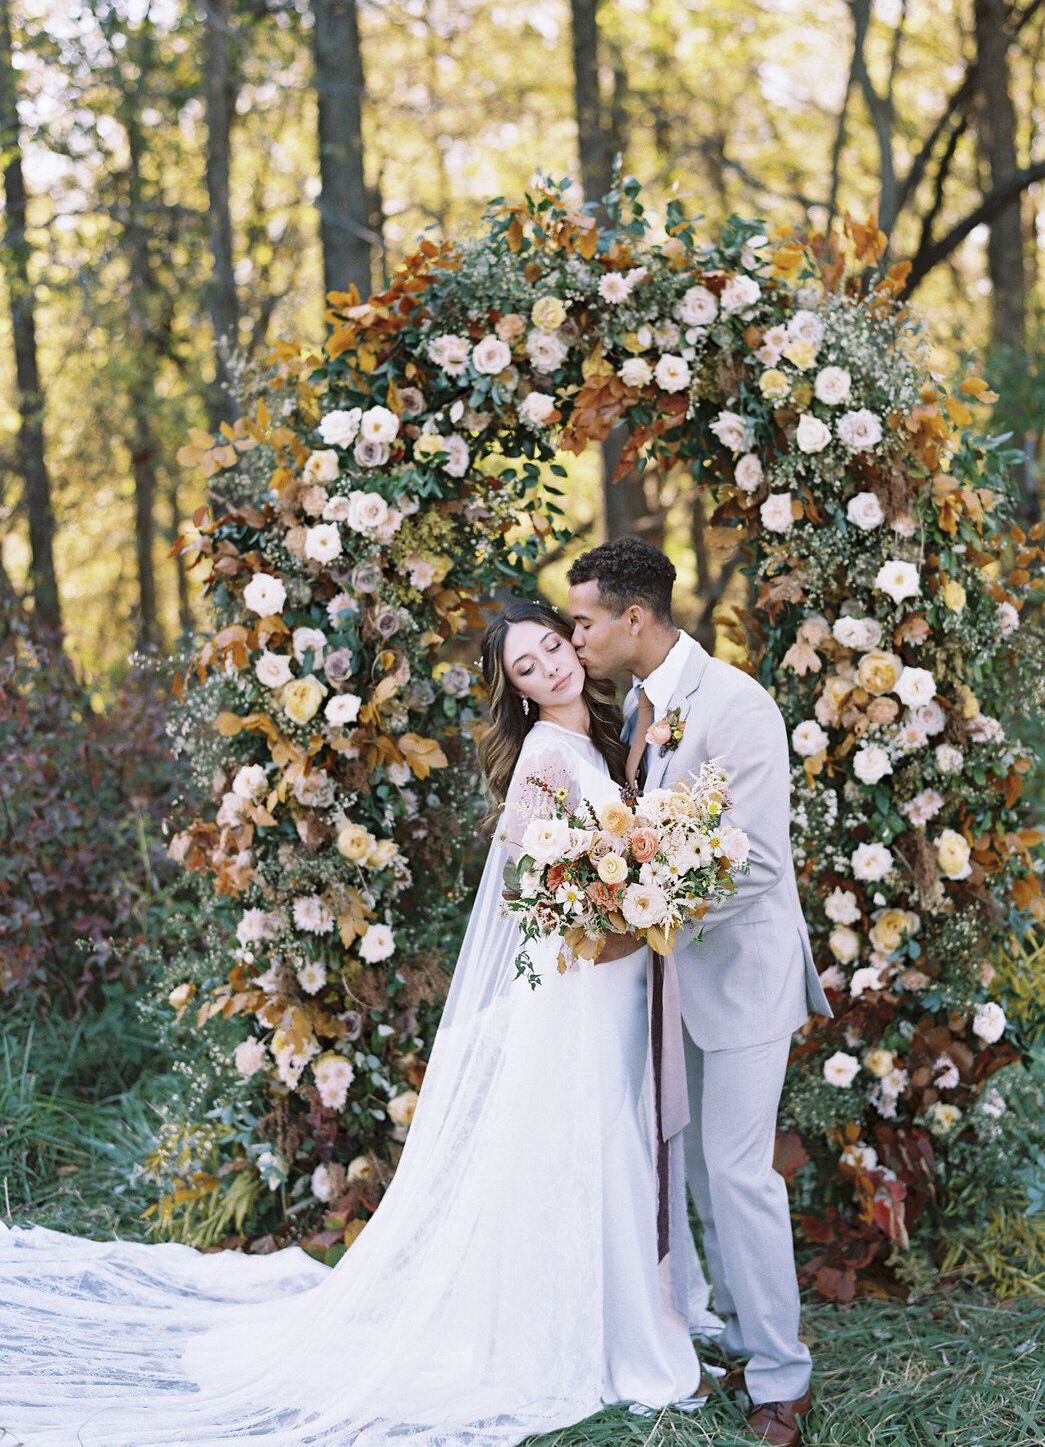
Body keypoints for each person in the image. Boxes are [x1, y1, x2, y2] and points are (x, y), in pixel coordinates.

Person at [0, 601, 709, 1446]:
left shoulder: (608, 733)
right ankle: (595, 1334)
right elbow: (528, 881)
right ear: (514, 693)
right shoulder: (546, 757)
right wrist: (602, 888)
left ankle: (624, 1310)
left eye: (553, 647)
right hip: (579, 990)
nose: (550, 667)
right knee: (588, 1145)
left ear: (572, 644)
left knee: (616, 1139)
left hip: (623, 983)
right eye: (527, 667)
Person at [568, 537, 832, 1447]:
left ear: (633, 619)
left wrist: (643, 914)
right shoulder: (634, 708)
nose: (577, 638)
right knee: (684, 1164)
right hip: (669, 981)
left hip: (743, 975)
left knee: (738, 1171)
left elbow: (755, 862)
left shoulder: (737, 705)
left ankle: (783, 1380)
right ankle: (717, 1331)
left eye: (585, 620)